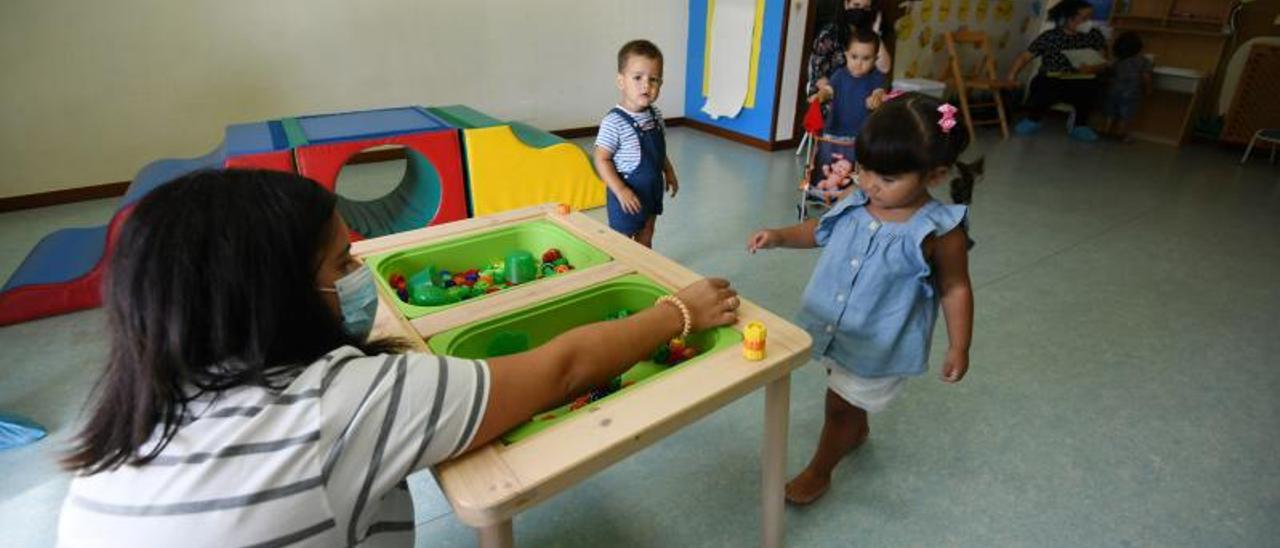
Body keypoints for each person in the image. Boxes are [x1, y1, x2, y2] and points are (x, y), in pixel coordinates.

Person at [57, 169, 740, 547]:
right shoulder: (338, 405)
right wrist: (674, 312)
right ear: (276, 297)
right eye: (343, 261)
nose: (362, 275)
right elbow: (560, 370)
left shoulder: (133, 407)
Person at [747, 93, 975, 505]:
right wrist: (780, 236)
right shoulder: (858, 201)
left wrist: (960, 345)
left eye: (887, 179)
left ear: (934, 174)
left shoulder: (939, 231)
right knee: (841, 390)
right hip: (835, 325)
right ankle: (856, 428)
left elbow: (955, 287)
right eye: (865, 169)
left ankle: (821, 470)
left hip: (877, 343)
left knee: (838, 405)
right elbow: (820, 230)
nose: (870, 183)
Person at [593, 39, 678, 248]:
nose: (646, 85)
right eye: (638, 77)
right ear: (621, 81)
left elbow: (659, 150)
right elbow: (601, 158)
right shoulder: (614, 122)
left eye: (654, 79)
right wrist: (621, 190)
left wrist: (668, 170)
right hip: (627, 196)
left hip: (651, 191)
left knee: (647, 234)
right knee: (621, 243)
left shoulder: (655, 115)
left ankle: (644, 272)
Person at [1006, 0, 1108, 142]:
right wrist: (1011, 76)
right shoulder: (1050, 36)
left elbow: (1104, 61)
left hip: (1080, 79)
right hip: (1052, 78)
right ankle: (1033, 119)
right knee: (1043, 83)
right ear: (1069, 16)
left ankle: (1079, 125)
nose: (1088, 22)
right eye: (1084, 18)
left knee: (1092, 84)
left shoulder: (1093, 36)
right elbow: (1025, 57)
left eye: (1090, 18)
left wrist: (1093, 68)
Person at [807, 0, 893, 98]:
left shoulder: (868, 36)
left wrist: (875, 34)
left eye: (865, 8)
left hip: (860, 97)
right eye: (856, 5)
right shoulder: (830, 33)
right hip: (831, 96)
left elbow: (885, 68)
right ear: (846, 4)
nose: (860, 10)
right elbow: (818, 76)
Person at [1101, 31, 1153, 142]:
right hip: (1131, 93)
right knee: (1126, 114)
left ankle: (1106, 130)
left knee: (1110, 111)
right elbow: (1146, 77)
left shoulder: (1118, 60)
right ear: (1139, 47)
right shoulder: (1144, 61)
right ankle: (1120, 134)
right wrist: (1148, 89)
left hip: (1113, 90)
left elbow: (1109, 71)